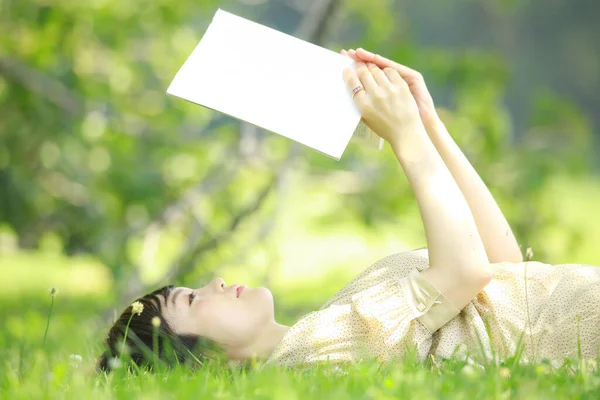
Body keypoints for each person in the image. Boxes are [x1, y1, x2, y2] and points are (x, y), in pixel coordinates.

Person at [96, 48, 600, 372]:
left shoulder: (324, 325)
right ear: (201, 363)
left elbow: (501, 267)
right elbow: (465, 271)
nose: (217, 282)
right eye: (190, 299)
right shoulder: (309, 355)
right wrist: (403, 137)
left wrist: (425, 122)